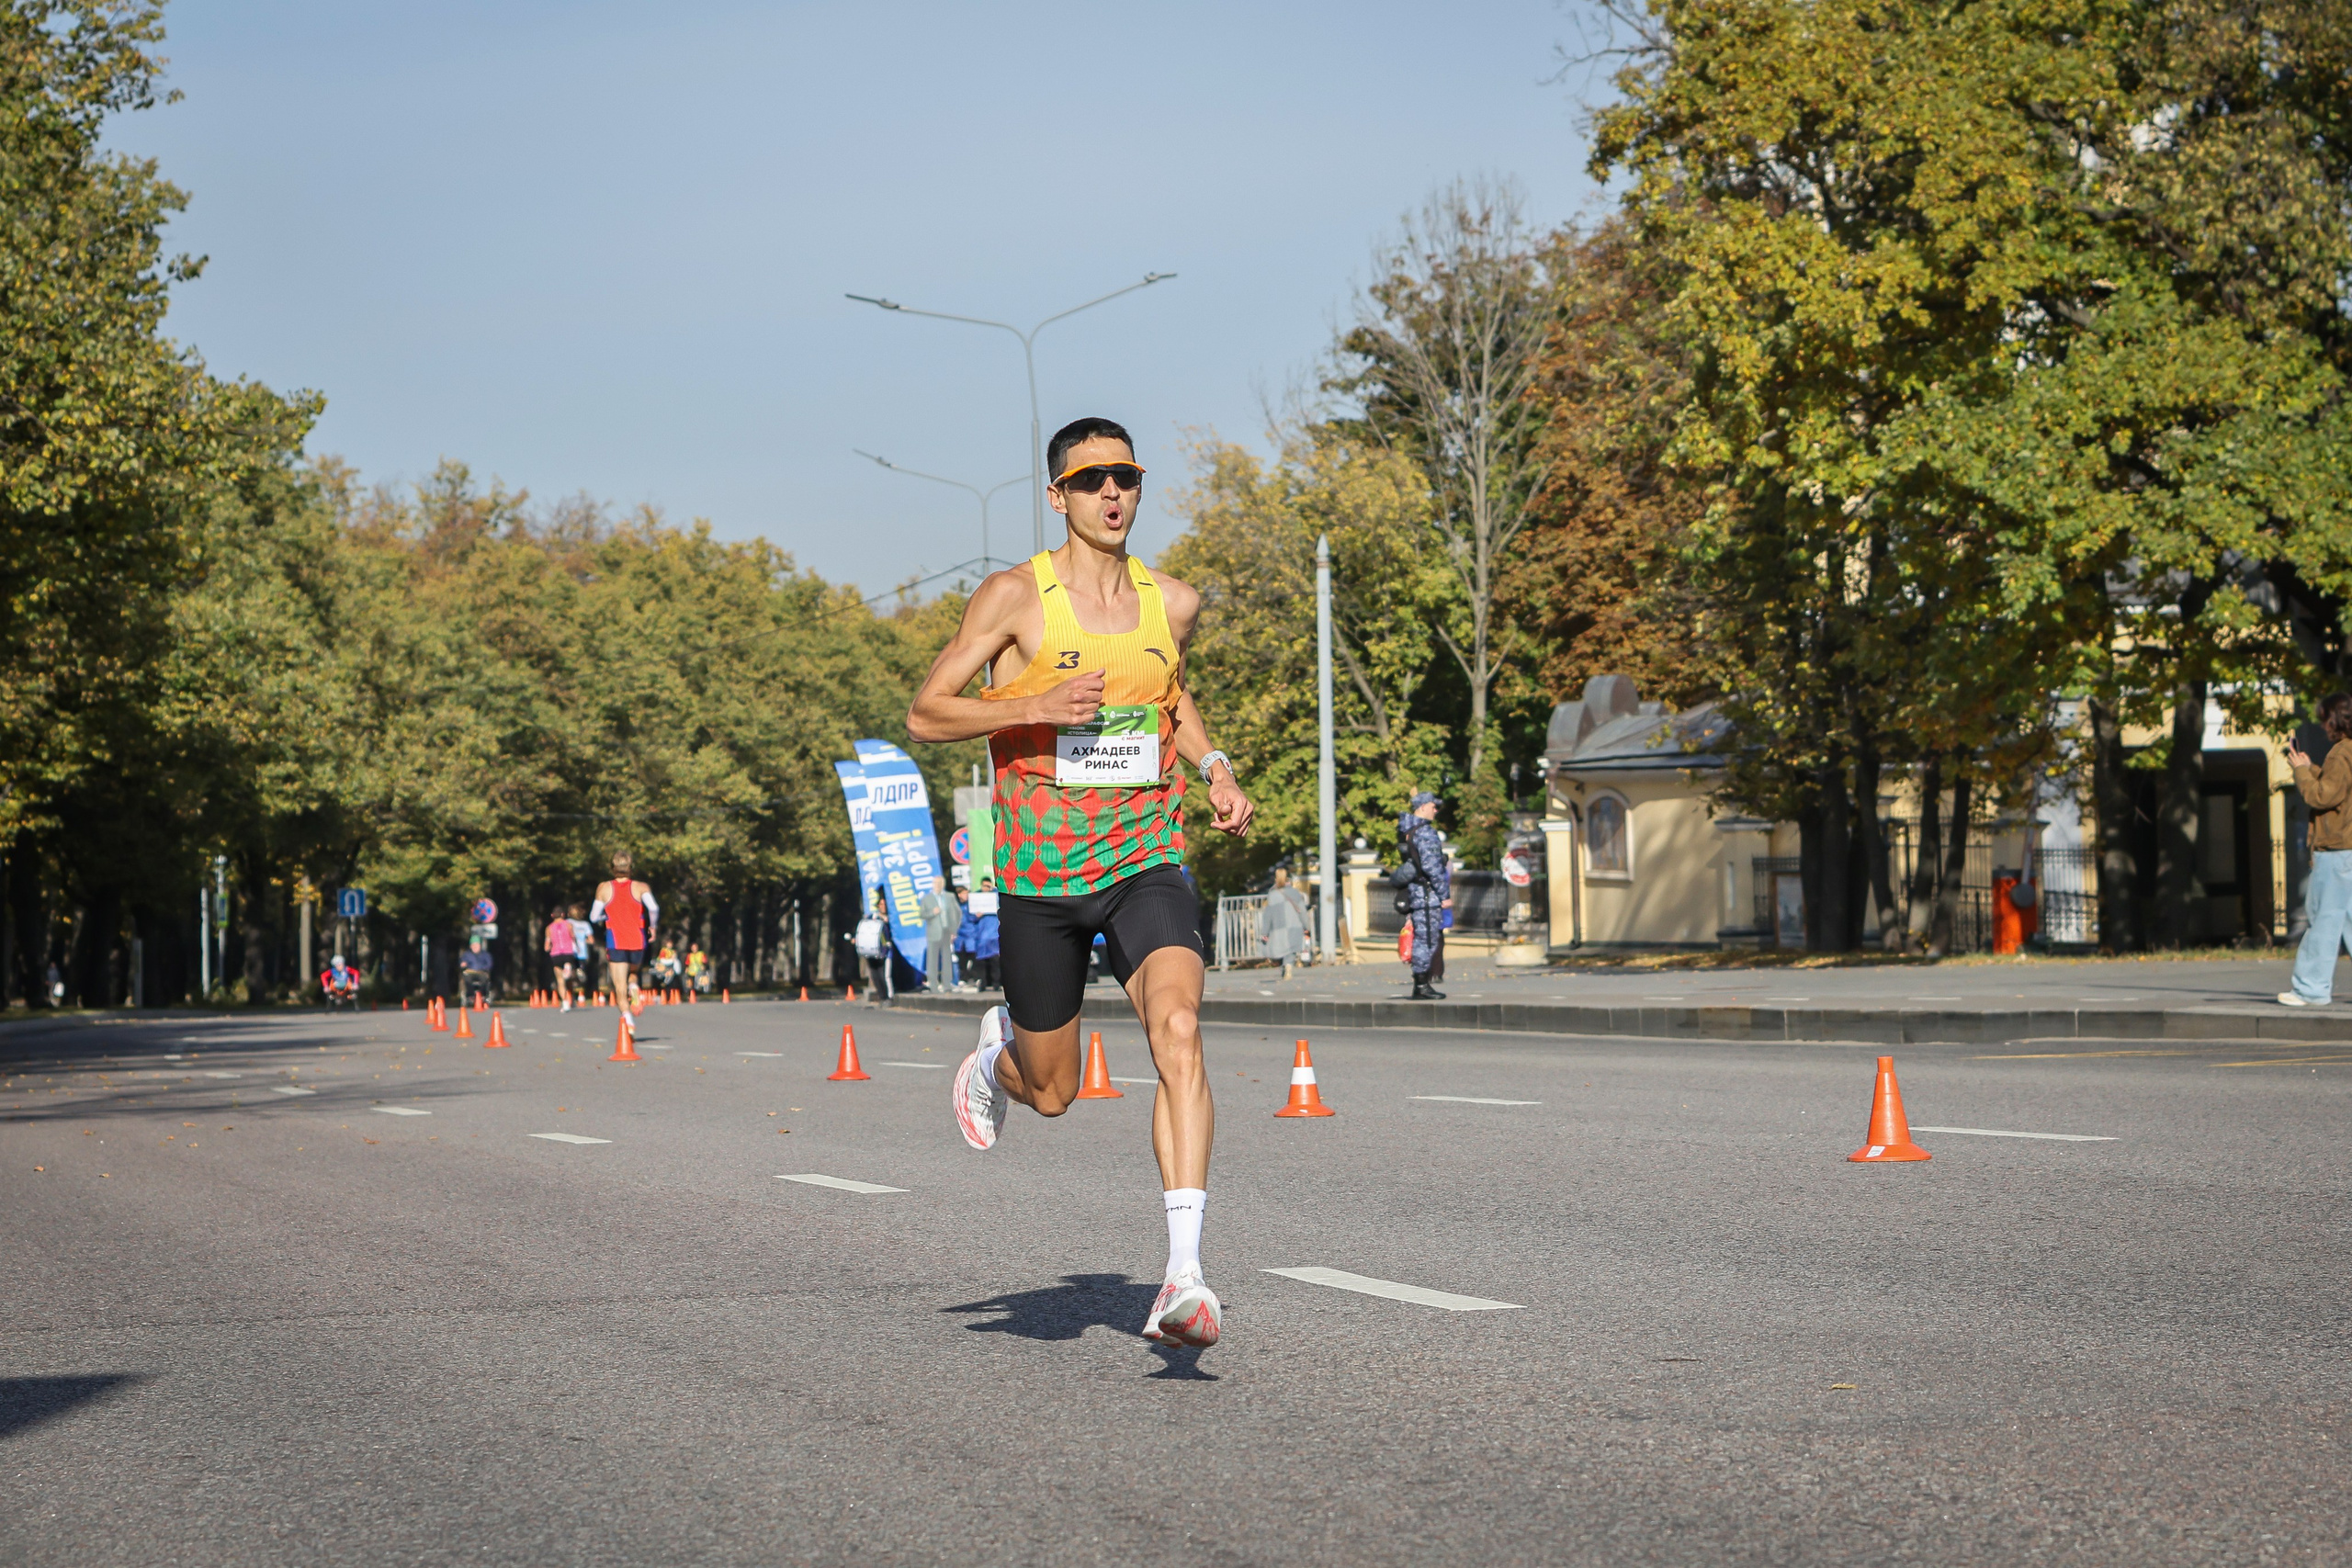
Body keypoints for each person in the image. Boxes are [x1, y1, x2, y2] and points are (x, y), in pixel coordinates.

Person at [906, 415, 1256, 1349]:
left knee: (1178, 1030)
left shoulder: (1171, 602)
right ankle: (996, 1059)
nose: (1112, 494)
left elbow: (1168, 696)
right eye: (1091, 479)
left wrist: (1215, 765)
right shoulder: (1016, 596)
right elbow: (928, 712)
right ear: (1057, 495)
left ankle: (1183, 1276)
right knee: (1053, 1093)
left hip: (1145, 856)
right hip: (1042, 875)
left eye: (1126, 478)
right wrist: (1032, 704)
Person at [2281, 693, 2352, 1006]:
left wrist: (2299, 772)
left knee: (2323, 918)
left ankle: (2310, 988)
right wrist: (2311, 768)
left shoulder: (2341, 753)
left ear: (2335, 720)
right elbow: (2339, 791)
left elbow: (2322, 797)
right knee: (2348, 920)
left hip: (2336, 850)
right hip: (2349, 850)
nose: (2323, 726)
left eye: (2325, 719)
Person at [1397, 791, 1452, 1000]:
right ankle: (1421, 984)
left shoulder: (1408, 830)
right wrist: (1444, 894)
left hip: (1417, 892)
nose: (1435, 810)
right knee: (1427, 939)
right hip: (1427, 894)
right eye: (1433, 806)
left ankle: (1422, 982)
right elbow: (1432, 866)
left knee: (1424, 937)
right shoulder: (1425, 832)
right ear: (1422, 807)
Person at [591, 852, 658, 1012]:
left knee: (619, 985)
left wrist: (605, 916)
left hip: (616, 941)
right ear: (630, 868)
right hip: (637, 939)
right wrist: (653, 926)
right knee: (633, 972)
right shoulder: (641, 887)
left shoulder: (604, 888)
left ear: (612, 868)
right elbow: (654, 908)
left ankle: (628, 1021)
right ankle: (634, 987)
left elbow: (593, 917)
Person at [1259, 866, 1311, 980]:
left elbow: (1268, 915)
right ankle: (1288, 965)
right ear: (1288, 878)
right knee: (1291, 949)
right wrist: (1306, 926)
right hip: (1295, 925)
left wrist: (1265, 932)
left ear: (1275, 878)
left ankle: (1285, 966)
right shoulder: (1295, 893)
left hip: (1278, 927)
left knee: (1282, 948)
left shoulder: (1272, 895)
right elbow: (1302, 911)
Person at [918, 874, 959, 992]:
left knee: (947, 958)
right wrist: (932, 912)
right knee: (932, 959)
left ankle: (947, 984)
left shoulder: (949, 897)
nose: (937, 886)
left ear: (943, 885)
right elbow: (922, 914)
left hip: (947, 931)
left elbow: (956, 913)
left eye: (940, 883)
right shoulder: (926, 898)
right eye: (935, 883)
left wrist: (954, 930)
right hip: (933, 932)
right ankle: (933, 984)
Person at [854, 889, 894, 1004]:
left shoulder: (891, 919)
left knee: (885, 975)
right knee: (875, 974)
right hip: (872, 950)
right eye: (881, 904)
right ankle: (881, 996)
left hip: (885, 951)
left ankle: (889, 996)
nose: (883, 907)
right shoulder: (872, 917)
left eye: (885, 905)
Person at [545, 908, 581, 1010]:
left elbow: (547, 945)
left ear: (552, 916)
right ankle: (568, 967)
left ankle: (565, 1002)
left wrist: (549, 947)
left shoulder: (549, 928)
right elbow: (573, 937)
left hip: (556, 954)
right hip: (568, 953)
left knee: (560, 980)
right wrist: (577, 947)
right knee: (569, 978)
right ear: (563, 915)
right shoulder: (568, 925)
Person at [458, 937, 493, 1007]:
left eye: (477, 945)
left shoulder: (485, 955)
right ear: (470, 946)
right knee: (467, 980)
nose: (475, 947)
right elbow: (462, 962)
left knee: (484, 980)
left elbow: (489, 964)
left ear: (480, 946)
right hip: (470, 972)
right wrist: (463, 964)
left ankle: (482, 995)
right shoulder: (466, 955)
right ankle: (471, 996)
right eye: (473, 945)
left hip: (481, 972)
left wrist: (484, 968)